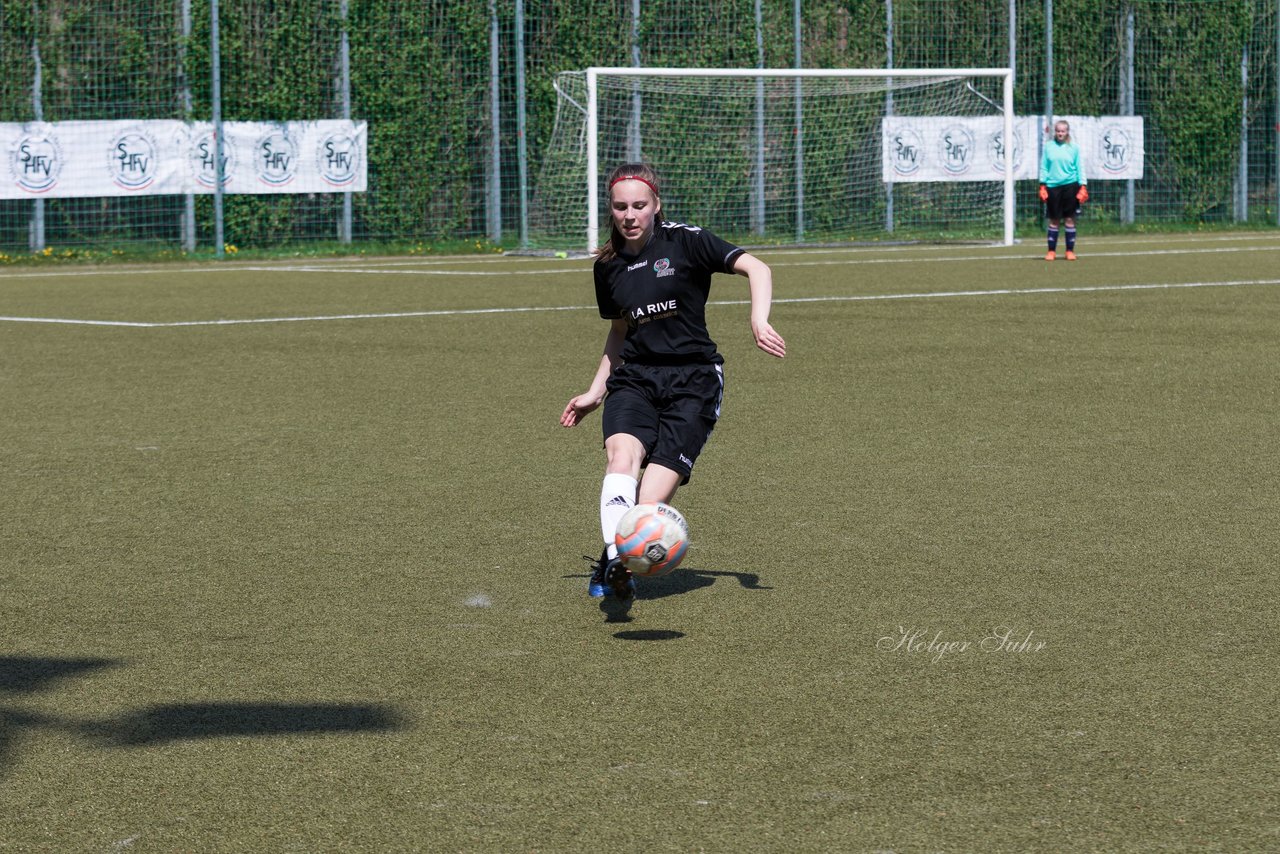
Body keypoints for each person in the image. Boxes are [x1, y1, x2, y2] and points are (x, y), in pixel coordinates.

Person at [560, 163, 787, 601]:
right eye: (621, 206)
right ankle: (615, 561)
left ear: (656, 206)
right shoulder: (606, 266)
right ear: (611, 209)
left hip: (694, 381)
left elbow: (757, 268)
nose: (630, 215)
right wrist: (595, 391)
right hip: (636, 378)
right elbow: (619, 332)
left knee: (647, 504)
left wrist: (758, 319)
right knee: (620, 457)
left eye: (639, 206)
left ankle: (623, 554)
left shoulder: (686, 240)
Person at [1038, 119, 1088, 261]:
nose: (1060, 133)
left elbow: (1080, 167)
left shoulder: (1074, 148)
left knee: (1070, 219)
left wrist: (1083, 185)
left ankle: (1069, 251)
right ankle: (1051, 251)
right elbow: (1044, 167)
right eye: (1058, 131)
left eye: (1063, 131)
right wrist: (1042, 185)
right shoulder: (1048, 147)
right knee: (1054, 220)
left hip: (1071, 186)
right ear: (1055, 132)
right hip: (1053, 187)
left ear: (1067, 132)